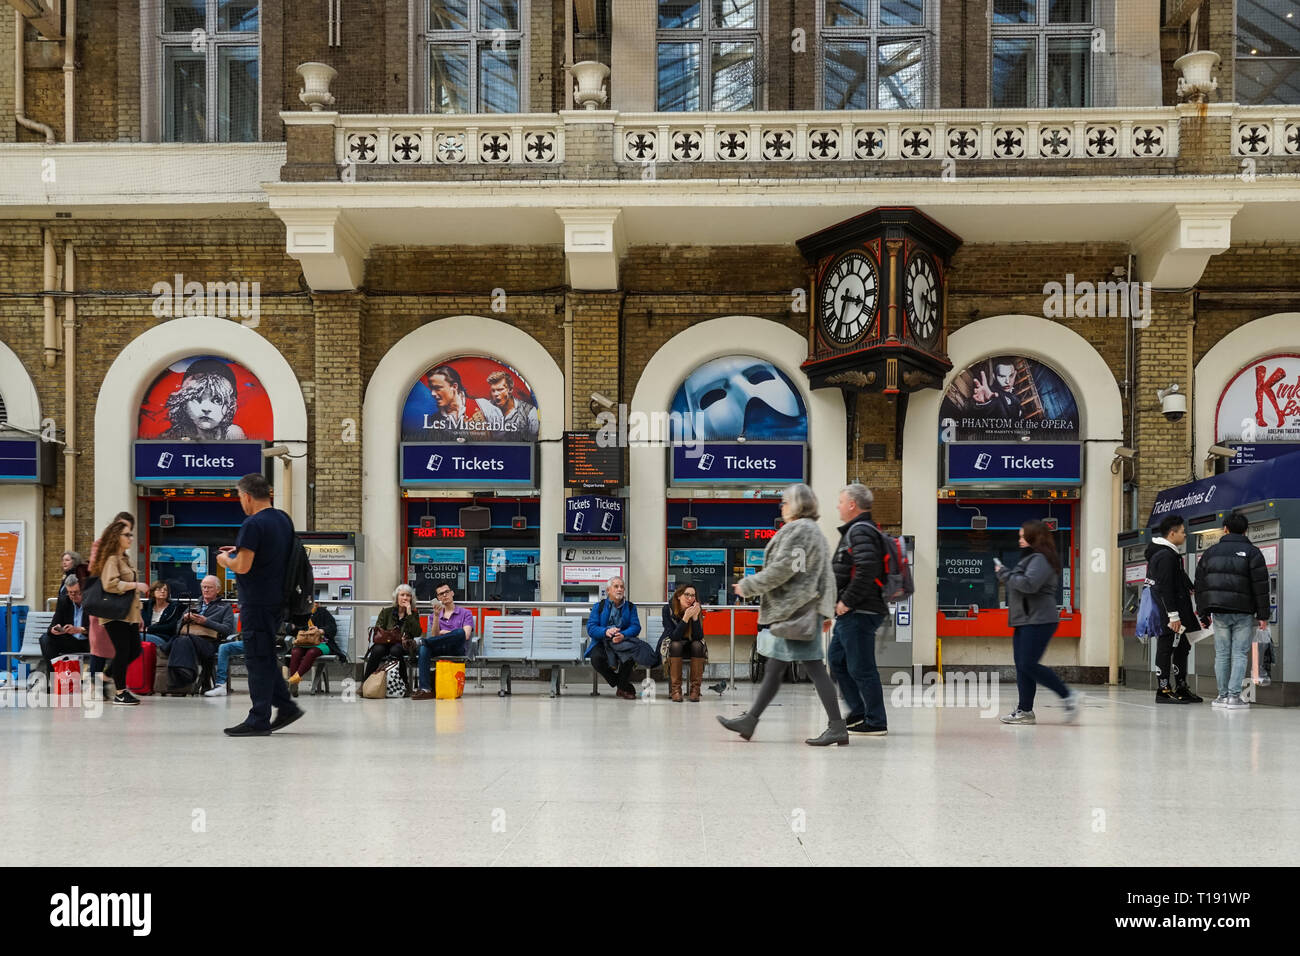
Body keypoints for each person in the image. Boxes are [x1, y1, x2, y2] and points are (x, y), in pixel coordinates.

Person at [718, 483, 844, 746]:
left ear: (798, 505)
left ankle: (836, 727)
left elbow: (782, 569)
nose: (782, 506)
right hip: (803, 612)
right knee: (777, 668)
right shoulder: (815, 533)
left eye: (786, 502)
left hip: (797, 612)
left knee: (813, 669)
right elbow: (827, 576)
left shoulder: (800, 531)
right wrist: (826, 610)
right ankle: (750, 720)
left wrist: (748, 585)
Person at [215, 473, 299, 736]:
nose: (241, 502)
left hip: (256, 601)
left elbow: (243, 565)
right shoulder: (283, 519)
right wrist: (241, 550)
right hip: (277, 599)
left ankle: (258, 718)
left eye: (240, 497)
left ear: (247, 496)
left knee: (256, 659)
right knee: (264, 655)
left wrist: (226, 560)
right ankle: (285, 706)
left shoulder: (253, 524)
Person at [995, 521, 1078, 724]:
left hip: (1039, 619)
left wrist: (1004, 573)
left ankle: (1067, 695)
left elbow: (1029, 585)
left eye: (1023, 536)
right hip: (1025, 620)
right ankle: (1025, 711)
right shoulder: (1033, 558)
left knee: (1027, 664)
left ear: (1035, 537)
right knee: (1023, 666)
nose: (1020, 540)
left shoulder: (1040, 559)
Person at [828, 483, 890, 736]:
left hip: (859, 611)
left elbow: (867, 570)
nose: (838, 506)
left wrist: (847, 601)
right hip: (852, 612)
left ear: (852, 504)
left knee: (862, 667)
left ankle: (875, 721)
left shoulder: (861, 531)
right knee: (837, 661)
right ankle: (858, 712)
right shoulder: (856, 531)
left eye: (841, 501)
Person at [1194, 511, 1271, 710]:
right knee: (1239, 653)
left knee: (1221, 653)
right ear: (1246, 531)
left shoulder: (1210, 553)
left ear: (1225, 529)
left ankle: (1221, 696)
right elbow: (1261, 586)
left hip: (1219, 611)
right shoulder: (1253, 552)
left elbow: (1200, 585)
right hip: (1244, 612)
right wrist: (1263, 615)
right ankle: (1234, 697)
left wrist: (1202, 613)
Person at [90, 517, 150, 705]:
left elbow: (128, 594)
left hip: (128, 614)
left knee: (135, 650)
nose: (131, 538)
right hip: (113, 614)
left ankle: (105, 676)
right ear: (116, 537)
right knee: (123, 651)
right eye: (127, 535)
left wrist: (138, 614)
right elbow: (110, 584)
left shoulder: (124, 558)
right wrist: (136, 584)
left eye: (131, 534)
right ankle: (120, 692)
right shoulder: (111, 559)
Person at [1146, 514, 1201, 704]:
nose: (1185, 535)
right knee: (1166, 646)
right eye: (1182, 532)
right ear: (1172, 533)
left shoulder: (1170, 554)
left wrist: (1188, 585)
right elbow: (1165, 586)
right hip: (1169, 611)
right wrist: (1173, 616)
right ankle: (1163, 688)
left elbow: (1176, 577)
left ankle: (1181, 685)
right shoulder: (1165, 555)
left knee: (1183, 646)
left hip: (1178, 607)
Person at [585, 577, 645, 700]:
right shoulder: (599, 606)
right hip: (603, 642)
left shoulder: (630, 607)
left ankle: (622, 687)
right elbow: (591, 628)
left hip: (622, 641)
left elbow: (636, 626)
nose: (620, 589)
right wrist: (605, 631)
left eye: (622, 587)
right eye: (616, 586)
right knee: (596, 659)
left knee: (629, 658)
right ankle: (623, 686)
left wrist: (623, 634)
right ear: (608, 590)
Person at [412, 583, 475, 701]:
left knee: (459, 633)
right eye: (441, 594)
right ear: (438, 598)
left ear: (452, 593)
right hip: (440, 647)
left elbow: (465, 635)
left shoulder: (465, 613)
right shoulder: (434, 616)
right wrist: (436, 616)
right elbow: (435, 635)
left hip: (457, 648)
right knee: (424, 648)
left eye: (447, 592)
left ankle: (423, 641)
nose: (445, 595)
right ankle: (425, 689)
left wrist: (446, 633)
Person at [162, 358, 246, 440]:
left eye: (217, 400)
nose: (206, 408)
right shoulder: (173, 436)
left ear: (230, 406)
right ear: (184, 403)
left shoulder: (233, 434)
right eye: (197, 399)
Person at [361, 584, 422, 687]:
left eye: (408, 595)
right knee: (377, 650)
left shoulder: (413, 614)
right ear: (396, 597)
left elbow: (417, 633)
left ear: (411, 598)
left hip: (403, 644)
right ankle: (365, 684)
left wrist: (409, 613)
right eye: (402, 595)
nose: (405, 598)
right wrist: (391, 634)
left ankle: (404, 685)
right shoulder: (386, 612)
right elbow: (378, 628)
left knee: (395, 650)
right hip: (385, 642)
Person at [285, 601, 343, 697]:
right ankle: (294, 684)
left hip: (323, 643)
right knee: (295, 652)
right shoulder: (300, 614)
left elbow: (332, 628)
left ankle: (293, 680)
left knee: (312, 652)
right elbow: (291, 631)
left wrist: (320, 630)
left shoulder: (323, 612)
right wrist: (293, 627)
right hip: (304, 643)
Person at [662, 584, 706, 702]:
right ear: (678, 596)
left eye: (693, 595)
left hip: (690, 646)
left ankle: (695, 690)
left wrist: (695, 617)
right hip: (672, 646)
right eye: (687, 595)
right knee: (676, 645)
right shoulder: (668, 609)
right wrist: (686, 618)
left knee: (698, 645)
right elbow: (674, 637)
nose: (690, 598)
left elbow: (698, 637)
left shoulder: (696, 609)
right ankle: (675, 690)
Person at [39, 575, 89, 674]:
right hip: (71, 641)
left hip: (88, 642)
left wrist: (79, 629)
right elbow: (53, 625)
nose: (73, 596)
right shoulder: (64, 601)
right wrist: (54, 629)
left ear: (82, 590)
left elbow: (97, 629)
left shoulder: (90, 601)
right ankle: (56, 675)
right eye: (70, 593)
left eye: (76, 592)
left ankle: (61, 676)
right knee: (45, 639)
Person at [486, 369, 539, 441]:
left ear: (510, 390)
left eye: (500, 389)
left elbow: (535, 441)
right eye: (493, 390)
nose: (496, 394)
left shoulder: (529, 411)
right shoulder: (485, 408)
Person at [140, 580, 183, 651]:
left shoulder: (174, 608)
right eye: (159, 589)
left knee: (136, 637)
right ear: (153, 592)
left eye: (165, 590)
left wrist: (149, 629)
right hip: (146, 634)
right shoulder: (146, 606)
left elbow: (171, 627)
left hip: (163, 637)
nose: (162, 591)